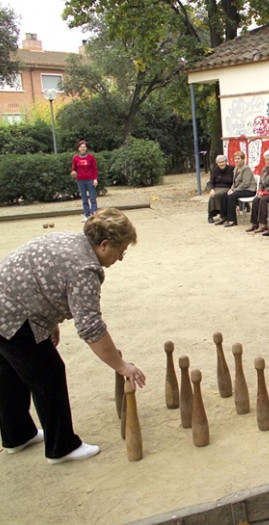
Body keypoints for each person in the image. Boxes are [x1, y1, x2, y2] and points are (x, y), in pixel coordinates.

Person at [0, 208, 146, 464]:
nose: (121, 258)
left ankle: (18, 435)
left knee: (10, 373)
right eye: (120, 250)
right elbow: (91, 327)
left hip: (9, 305)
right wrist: (121, 365)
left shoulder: (71, 240)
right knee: (49, 373)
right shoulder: (85, 269)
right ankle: (62, 447)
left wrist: (48, 323)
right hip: (11, 315)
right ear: (103, 245)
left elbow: (44, 281)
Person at [217, 151, 258, 227]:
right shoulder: (236, 168)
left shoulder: (246, 169)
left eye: (238, 158)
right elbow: (234, 182)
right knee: (224, 195)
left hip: (249, 190)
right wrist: (231, 189)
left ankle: (232, 220)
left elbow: (245, 184)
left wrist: (234, 190)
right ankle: (223, 217)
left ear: (243, 159)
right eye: (235, 158)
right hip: (240, 189)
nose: (236, 160)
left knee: (232, 196)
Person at [245, 151, 269, 233]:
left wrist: (264, 193)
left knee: (263, 200)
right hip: (265, 191)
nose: (268, 161)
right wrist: (260, 191)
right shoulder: (264, 169)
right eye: (266, 160)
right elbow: (261, 182)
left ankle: (263, 224)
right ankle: (254, 223)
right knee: (255, 200)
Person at [71, 140, 99, 223]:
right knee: (84, 199)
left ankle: (94, 213)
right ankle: (87, 215)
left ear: (86, 148)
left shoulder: (91, 157)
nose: (82, 148)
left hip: (90, 179)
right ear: (78, 148)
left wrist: (95, 179)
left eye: (84, 147)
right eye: (81, 147)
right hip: (80, 180)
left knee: (92, 197)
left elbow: (95, 169)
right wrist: (73, 173)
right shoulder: (75, 158)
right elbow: (74, 169)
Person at [206, 155, 234, 223]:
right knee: (212, 195)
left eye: (223, 162)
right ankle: (210, 214)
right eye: (220, 162)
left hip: (228, 187)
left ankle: (222, 213)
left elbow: (235, 180)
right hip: (217, 187)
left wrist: (232, 188)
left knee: (221, 194)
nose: (221, 164)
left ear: (226, 161)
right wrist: (212, 189)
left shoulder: (232, 169)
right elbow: (211, 181)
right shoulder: (215, 170)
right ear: (217, 163)